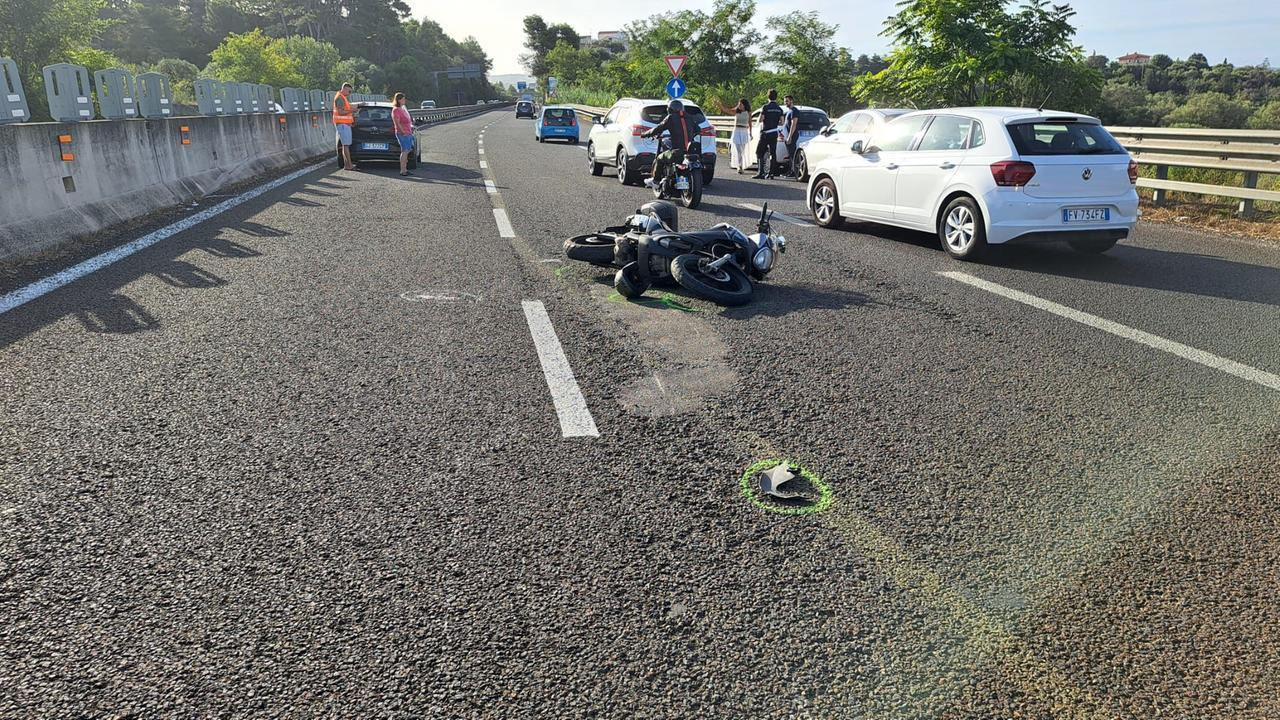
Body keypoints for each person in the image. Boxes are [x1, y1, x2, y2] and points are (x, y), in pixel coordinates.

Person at [641, 99, 700, 189]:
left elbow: (658, 128)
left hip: (677, 152)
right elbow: (698, 130)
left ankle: (656, 181)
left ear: (669, 109)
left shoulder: (671, 118)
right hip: (690, 152)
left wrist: (645, 134)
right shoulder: (690, 117)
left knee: (660, 158)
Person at [753, 89, 783, 179]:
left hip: (766, 133)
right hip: (774, 132)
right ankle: (771, 173)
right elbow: (782, 122)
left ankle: (761, 172)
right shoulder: (779, 109)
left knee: (759, 152)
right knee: (773, 153)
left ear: (768, 96)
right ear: (776, 97)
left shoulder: (765, 107)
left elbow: (761, 119)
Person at [719, 98, 752, 174]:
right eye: (739, 104)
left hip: (744, 131)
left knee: (742, 150)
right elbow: (726, 110)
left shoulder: (748, 112)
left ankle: (741, 165)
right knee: (738, 150)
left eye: (740, 104)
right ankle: (739, 166)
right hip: (737, 131)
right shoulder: (736, 111)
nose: (739, 105)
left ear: (744, 105)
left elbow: (750, 123)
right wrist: (720, 105)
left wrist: (750, 133)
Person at [333, 83, 357, 171]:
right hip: (342, 124)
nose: (349, 93)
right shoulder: (340, 98)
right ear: (344, 89)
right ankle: (349, 165)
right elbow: (340, 112)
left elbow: (345, 109)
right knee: (346, 145)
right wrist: (352, 110)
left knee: (344, 146)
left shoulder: (342, 97)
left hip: (343, 124)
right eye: (349, 91)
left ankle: (347, 165)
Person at [391, 92, 415, 176]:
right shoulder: (396, 110)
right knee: (405, 151)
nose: (405, 100)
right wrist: (403, 132)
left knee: (406, 150)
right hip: (403, 133)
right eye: (403, 99)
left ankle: (405, 168)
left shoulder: (402, 108)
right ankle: (402, 170)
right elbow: (397, 123)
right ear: (398, 100)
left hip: (408, 132)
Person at [781, 95, 800, 179]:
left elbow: (794, 124)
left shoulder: (794, 111)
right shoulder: (789, 111)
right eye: (785, 101)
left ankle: (794, 171)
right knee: (790, 154)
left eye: (787, 101)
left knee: (792, 154)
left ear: (791, 101)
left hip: (792, 135)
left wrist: (790, 136)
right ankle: (790, 170)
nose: (785, 103)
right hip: (787, 135)